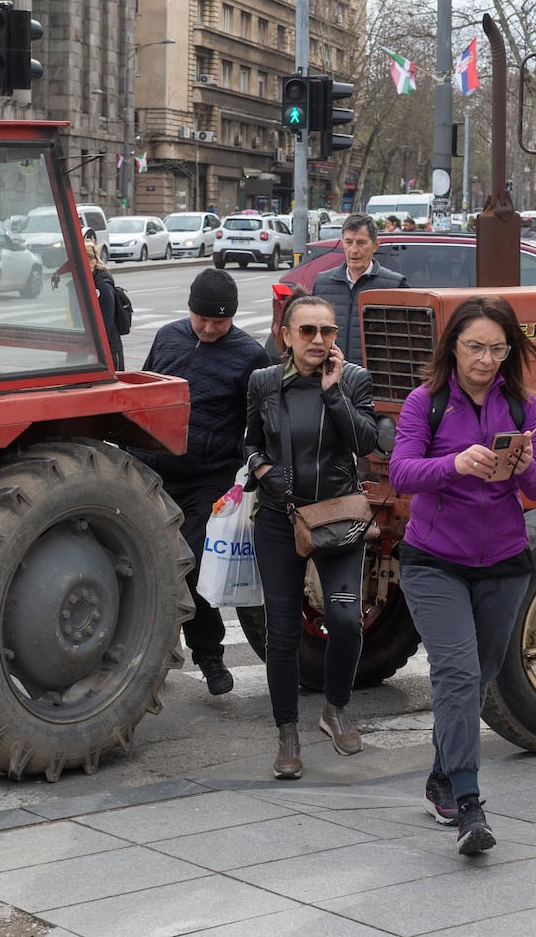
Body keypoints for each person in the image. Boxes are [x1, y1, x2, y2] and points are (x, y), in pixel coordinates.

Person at [388, 296, 536, 855]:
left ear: (510, 351)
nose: (485, 359)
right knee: (457, 674)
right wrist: (455, 463)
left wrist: (526, 462)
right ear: (453, 348)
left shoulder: (521, 406)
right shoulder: (425, 403)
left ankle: (441, 775)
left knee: (475, 678)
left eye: (497, 348)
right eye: (474, 346)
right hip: (434, 560)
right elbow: (402, 472)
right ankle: (468, 803)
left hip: (505, 562)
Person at [244, 289, 379, 779]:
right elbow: (249, 443)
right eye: (308, 331)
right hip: (280, 520)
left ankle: (335, 708)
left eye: (327, 331)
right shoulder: (263, 381)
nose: (319, 339)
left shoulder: (354, 379)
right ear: (286, 336)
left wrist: (333, 391)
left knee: (345, 619)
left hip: (337, 518)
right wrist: (262, 470)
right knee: (280, 632)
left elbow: (366, 442)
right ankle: (287, 731)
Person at [128, 269, 272, 695]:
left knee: (188, 565)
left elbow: (264, 423)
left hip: (208, 479)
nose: (208, 329)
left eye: (219, 322)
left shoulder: (249, 356)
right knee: (139, 563)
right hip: (151, 471)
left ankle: (209, 656)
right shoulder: (168, 337)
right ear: (189, 310)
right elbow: (145, 391)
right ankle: (145, 651)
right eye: (201, 320)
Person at [312, 212, 407, 363]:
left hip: (373, 380)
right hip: (331, 377)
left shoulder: (394, 285)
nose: (354, 250)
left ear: (375, 245)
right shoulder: (322, 283)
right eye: (348, 242)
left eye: (361, 243)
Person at [52, 240, 123, 370]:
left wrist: (97, 352)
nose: (76, 268)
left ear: (93, 262)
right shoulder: (76, 283)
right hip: (80, 343)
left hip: (106, 347)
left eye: (80, 263)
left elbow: (106, 320)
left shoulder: (103, 284)